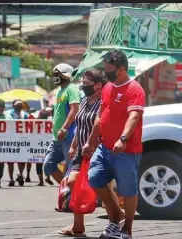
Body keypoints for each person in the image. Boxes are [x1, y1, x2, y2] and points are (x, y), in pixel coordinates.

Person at [83, 50, 145, 239]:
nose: (107, 72)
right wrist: (90, 141)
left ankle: (127, 228)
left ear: (122, 69)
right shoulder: (108, 87)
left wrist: (123, 138)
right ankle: (116, 215)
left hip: (126, 150)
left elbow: (134, 116)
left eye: (110, 70)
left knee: (128, 190)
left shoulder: (135, 89)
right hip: (105, 147)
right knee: (94, 178)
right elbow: (100, 116)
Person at [58, 69, 116, 236]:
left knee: (102, 188)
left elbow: (102, 127)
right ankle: (78, 226)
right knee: (72, 182)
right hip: (81, 150)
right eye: (82, 84)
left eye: (87, 84)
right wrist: (73, 145)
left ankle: (114, 220)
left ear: (98, 85)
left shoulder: (104, 103)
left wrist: (92, 144)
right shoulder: (84, 101)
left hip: (97, 151)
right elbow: (80, 126)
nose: (83, 87)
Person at [43, 63, 81, 185]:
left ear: (65, 75)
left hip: (68, 137)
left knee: (70, 169)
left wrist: (64, 129)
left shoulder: (72, 89)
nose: (55, 77)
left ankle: (70, 197)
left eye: (57, 74)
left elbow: (75, 109)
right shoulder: (60, 91)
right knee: (48, 165)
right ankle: (65, 190)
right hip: (56, 138)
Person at [6, 99, 30, 186]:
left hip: (22, 140)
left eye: (20, 105)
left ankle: (20, 174)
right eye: (17, 105)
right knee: (10, 161)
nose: (19, 106)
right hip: (11, 140)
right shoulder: (8, 114)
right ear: (13, 105)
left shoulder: (26, 115)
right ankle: (11, 178)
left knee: (22, 160)